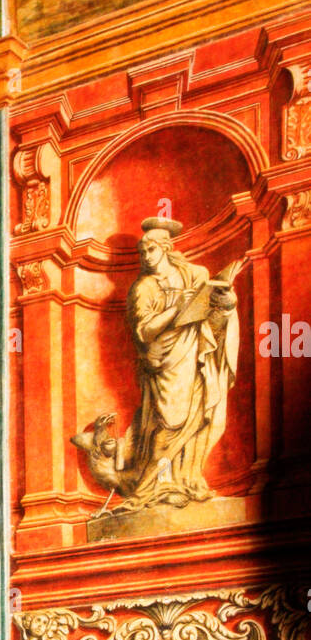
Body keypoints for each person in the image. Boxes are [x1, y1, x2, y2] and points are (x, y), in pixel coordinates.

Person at [116, 216, 239, 510]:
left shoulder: (195, 275)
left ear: (166, 248)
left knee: (199, 419)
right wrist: (176, 309)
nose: (146, 257)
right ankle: (151, 487)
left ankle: (185, 480)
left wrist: (226, 306)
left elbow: (211, 324)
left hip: (196, 356)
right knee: (169, 423)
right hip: (164, 365)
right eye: (142, 252)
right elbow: (143, 331)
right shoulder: (143, 288)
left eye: (151, 250)